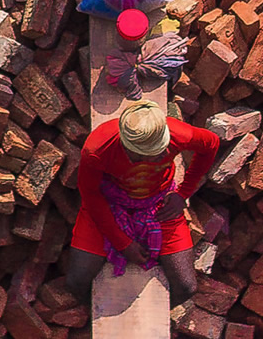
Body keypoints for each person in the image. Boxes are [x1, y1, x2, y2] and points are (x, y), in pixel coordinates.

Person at [65, 100, 220, 305]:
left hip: (157, 204)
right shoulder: (98, 149)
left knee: (186, 287)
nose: (162, 155)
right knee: (76, 281)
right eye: (153, 153)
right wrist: (123, 243)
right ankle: (97, 314)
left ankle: (156, 319)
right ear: (130, 149)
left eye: (162, 148)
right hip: (109, 203)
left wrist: (183, 193)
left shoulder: (177, 134)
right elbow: (91, 195)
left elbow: (211, 144)